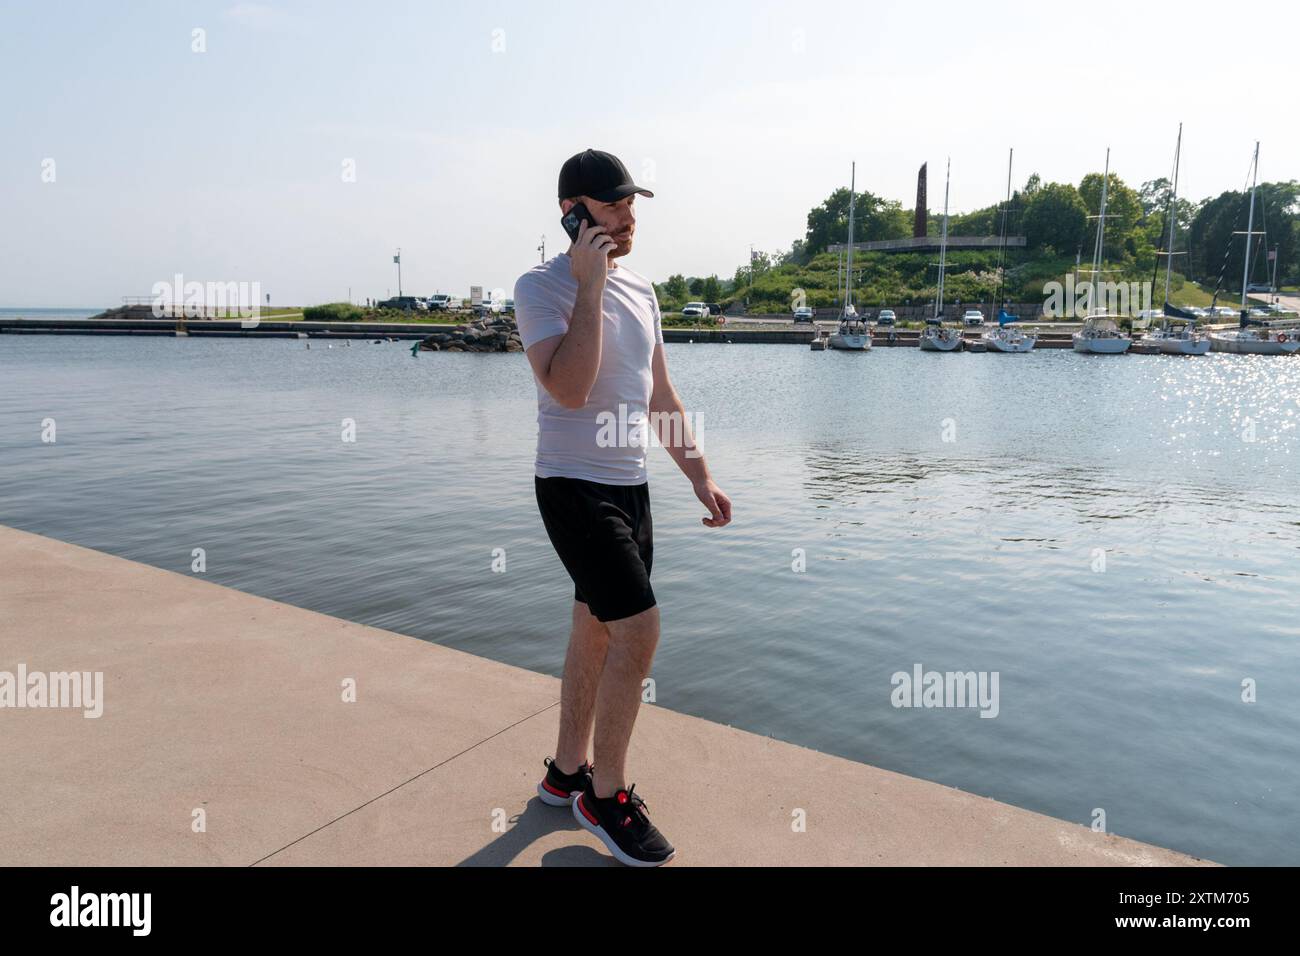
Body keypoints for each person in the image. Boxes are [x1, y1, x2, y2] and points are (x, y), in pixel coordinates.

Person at [513, 148, 731, 867]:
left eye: (631, 203)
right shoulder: (541, 288)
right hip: (571, 484)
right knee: (639, 629)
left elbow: (658, 395)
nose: (628, 215)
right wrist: (587, 286)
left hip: (630, 486)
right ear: (573, 214)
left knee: (597, 629)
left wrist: (698, 476)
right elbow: (569, 389)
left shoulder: (642, 290)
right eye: (611, 206)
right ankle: (605, 798)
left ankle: (566, 771)